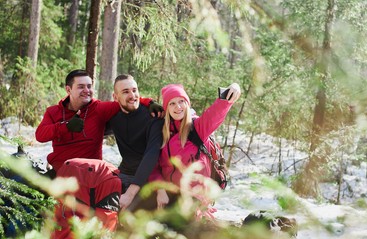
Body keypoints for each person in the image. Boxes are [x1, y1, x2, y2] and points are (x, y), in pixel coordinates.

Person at [35, 69, 161, 176]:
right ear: (68, 89)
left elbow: (128, 100)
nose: (87, 90)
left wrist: (149, 102)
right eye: (81, 87)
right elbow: (40, 135)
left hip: (91, 174)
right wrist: (66, 126)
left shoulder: (99, 108)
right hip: (60, 172)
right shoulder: (53, 112)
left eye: (89, 86)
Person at [142, 83, 241, 218]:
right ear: (166, 108)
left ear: (187, 104)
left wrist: (231, 92)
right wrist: (160, 190)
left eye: (181, 101)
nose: (178, 107)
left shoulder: (199, 128)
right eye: (172, 103)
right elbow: (154, 167)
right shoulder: (163, 133)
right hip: (169, 196)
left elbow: (216, 113)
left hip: (195, 200)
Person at [108, 74, 168, 211]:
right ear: (115, 97)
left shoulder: (153, 116)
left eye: (134, 90)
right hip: (124, 174)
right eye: (125, 92)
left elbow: (151, 155)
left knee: (126, 214)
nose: (132, 95)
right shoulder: (113, 116)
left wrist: (130, 193)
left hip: (150, 177)